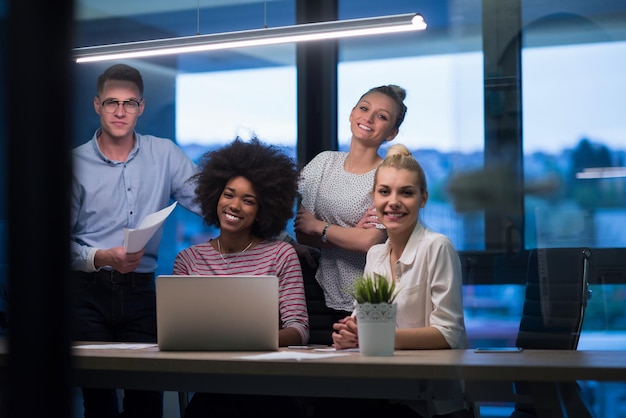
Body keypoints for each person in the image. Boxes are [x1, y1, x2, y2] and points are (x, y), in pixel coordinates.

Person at [70, 63, 200, 418]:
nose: (120, 111)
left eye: (129, 103)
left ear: (141, 107)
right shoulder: (74, 165)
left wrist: (274, 232)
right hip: (86, 292)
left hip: (142, 292)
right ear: (97, 105)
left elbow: (212, 202)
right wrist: (100, 257)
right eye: (112, 102)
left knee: (146, 397)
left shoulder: (165, 154)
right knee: (98, 402)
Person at [316, 144, 475, 418]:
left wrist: (374, 338)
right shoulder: (376, 255)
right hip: (388, 393)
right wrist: (348, 333)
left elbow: (449, 333)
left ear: (423, 198)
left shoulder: (437, 247)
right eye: (384, 191)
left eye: (407, 193)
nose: (394, 202)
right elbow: (362, 323)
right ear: (373, 198)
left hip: (435, 404)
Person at [173, 137, 310, 418]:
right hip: (212, 388)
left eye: (248, 200)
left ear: (263, 209)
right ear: (214, 196)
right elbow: (175, 332)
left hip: (268, 390)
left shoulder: (281, 255)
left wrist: (246, 339)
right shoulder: (189, 260)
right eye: (229, 194)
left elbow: (299, 329)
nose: (235, 205)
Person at [294, 84, 408, 323]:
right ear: (352, 113)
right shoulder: (324, 162)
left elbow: (371, 241)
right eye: (364, 108)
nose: (369, 118)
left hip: (373, 294)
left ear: (391, 133)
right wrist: (351, 234)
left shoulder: (388, 174)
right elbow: (303, 233)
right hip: (320, 289)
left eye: (382, 116)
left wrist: (321, 228)